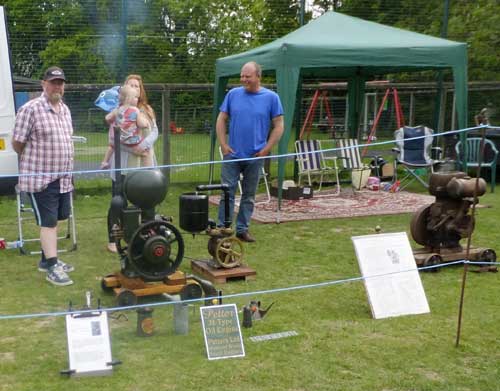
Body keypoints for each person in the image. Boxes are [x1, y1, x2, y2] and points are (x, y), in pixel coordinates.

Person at [11, 66, 75, 286]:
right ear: (43, 84)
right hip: (40, 179)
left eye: (60, 82)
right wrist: (33, 161)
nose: (57, 86)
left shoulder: (65, 110)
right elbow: (17, 143)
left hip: (64, 178)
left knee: (58, 218)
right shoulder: (30, 109)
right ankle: (53, 266)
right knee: (48, 222)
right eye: (53, 82)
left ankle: (45, 260)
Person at [216, 61, 284, 243]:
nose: (243, 79)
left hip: (255, 156)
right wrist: (223, 145)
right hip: (232, 155)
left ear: (258, 77)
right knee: (227, 192)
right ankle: (223, 227)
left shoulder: (271, 98)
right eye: (242, 76)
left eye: (247, 76)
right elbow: (221, 119)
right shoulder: (232, 95)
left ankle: (242, 229)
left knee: (249, 195)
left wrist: (266, 149)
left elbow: (279, 126)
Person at [104, 74, 159, 253]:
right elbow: (114, 139)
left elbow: (154, 132)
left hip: (143, 163)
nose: (135, 88)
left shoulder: (147, 110)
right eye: (131, 85)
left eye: (137, 85)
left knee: (147, 201)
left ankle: (148, 234)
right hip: (122, 163)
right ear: (125, 90)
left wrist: (142, 146)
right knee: (118, 201)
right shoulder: (118, 111)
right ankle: (114, 239)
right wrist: (131, 149)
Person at [100, 85, 152, 170]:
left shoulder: (117, 109)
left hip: (119, 140)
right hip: (132, 140)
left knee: (111, 145)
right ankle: (148, 169)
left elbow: (107, 118)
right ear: (129, 98)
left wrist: (112, 119)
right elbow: (142, 124)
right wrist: (145, 122)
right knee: (147, 150)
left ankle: (104, 162)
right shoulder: (135, 110)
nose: (137, 99)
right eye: (135, 97)